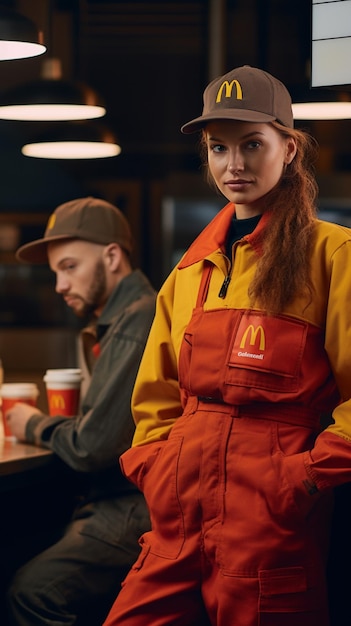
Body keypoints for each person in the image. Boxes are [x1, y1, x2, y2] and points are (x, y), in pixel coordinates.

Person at [101, 65, 351, 626]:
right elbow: (154, 400)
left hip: (269, 524)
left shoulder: (334, 256)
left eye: (252, 144)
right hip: (178, 516)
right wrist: (158, 471)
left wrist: (303, 477)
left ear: (289, 149)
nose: (233, 164)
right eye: (219, 148)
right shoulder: (190, 271)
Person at [5, 196, 156, 626]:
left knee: (32, 593)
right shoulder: (113, 321)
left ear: (112, 257)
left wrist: (32, 423)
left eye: (69, 267)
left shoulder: (137, 320)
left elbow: (92, 446)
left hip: (136, 503)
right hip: (117, 498)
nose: (59, 285)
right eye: (55, 272)